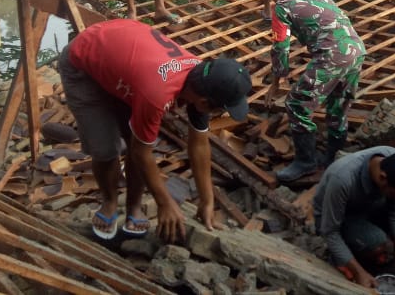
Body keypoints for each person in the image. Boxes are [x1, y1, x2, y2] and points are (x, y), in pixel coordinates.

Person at [58, 19, 252, 242]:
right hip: (84, 63)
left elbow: (199, 143)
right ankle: (110, 202)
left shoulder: (203, 78)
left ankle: (133, 207)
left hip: (120, 58)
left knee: (135, 137)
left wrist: (207, 200)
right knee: (105, 148)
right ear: (205, 102)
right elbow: (142, 153)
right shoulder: (157, 95)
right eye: (220, 109)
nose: (219, 114)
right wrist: (165, 203)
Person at [265, 0, 366, 182]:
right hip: (356, 50)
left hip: (332, 56)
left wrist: (276, 80)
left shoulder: (282, 6)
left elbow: (280, 47)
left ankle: (306, 162)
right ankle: (334, 156)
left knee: (296, 105)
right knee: (338, 105)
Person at [314, 146, 395, 289]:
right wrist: (359, 273)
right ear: (382, 178)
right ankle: (350, 254)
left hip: (372, 206)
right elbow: (330, 232)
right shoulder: (343, 179)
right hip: (341, 218)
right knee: (377, 244)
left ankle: (377, 239)